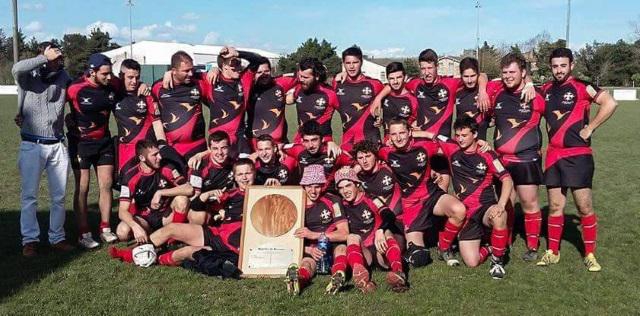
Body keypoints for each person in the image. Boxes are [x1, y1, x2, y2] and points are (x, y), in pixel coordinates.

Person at [537, 48, 617, 271]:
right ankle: (553, 251)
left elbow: (610, 103)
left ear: (571, 65)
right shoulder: (546, 89)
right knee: (554, 205)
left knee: (584, 206)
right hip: (554, 154)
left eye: (563, 65)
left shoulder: (582, 86)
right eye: (555, 66)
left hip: (578, 155)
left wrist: (590, 128)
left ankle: (589, 253)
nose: (559, 70)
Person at [109, 159, 256, 267]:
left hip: (233, 244)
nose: (244, 177)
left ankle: (156, 258)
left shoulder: (265, 193)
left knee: (186, 252)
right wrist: (206, 196)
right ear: (235, 177)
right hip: (216, 234)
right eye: (240, 174)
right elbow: (196, 206)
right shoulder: (229, 194)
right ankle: (131, 253)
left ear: (254, 173)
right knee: (172, 229)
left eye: (248, 173)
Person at [13, 41, 74, 256]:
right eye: (54, 56)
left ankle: (57, 237)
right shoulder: (28, 76)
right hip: (32, 144)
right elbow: (16, 68)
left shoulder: (64, 77)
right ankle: (29, 240)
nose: (58, 59)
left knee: (59, 196)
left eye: (59, 55)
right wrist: (43, 58)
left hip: (57, 143)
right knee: (29, 195)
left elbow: (79, 88)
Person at [378, 118, 466, 267]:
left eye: (402, 133)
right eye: (394, 134)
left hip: (432, 196)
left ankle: (444, 247)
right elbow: (367, 155)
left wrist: (426, 134)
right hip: (412, 206)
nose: (398, 138)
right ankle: (414, 247)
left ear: (410, 132)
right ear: (389, 137)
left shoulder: (424, 146)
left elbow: (453, 145)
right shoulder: (386, 152)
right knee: (419, 258)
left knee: (459, 210)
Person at [435, 117, 513, 279]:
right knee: (472, 262)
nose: (460, 139)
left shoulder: (487, 153)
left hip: (485, 208)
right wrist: (413, 131)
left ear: (475, 134)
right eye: (458, 135)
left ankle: (497, 261)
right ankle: (491, 247)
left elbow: (507, 179)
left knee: (500, 215)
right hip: (465, 214)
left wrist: (501, 204)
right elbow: (433, 135)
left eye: (464, 135)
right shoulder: (452, 148)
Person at [485, 53, 545, 262]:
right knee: (505, 203)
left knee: (529, 202)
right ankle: (505, 241)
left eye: (513, 72)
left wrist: (530, 84)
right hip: (502, 160)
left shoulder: (536, 95)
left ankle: (532, 245)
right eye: (505, 72)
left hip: (527, 158)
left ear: (523, 72)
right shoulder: (496, 91)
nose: (508, 76)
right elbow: (483, 76)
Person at [67, 53, 119, 248]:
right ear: (92, 71)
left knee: (106, 184)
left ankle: (105, 228)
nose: (109, 77)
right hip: (80, 144)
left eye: (110, 73)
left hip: (104, 142)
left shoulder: (112, 85)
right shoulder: (75, 88)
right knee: (83, 188)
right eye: (105, 73)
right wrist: (67, 120)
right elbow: (54, 107)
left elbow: (131, 85)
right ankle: (83, 233)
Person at [335, 167, 408, 293]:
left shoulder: (371, 198)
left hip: (381, 249)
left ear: (357, 184)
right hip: (363, 253)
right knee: (351, 237)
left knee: (387, 232)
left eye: (348, 185)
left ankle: (398, 273)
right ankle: (363, 280)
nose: (345, 191)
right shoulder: (340, 205)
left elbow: (389, 215)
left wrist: (380, 230)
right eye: (341, 188)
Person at [285, 165, 349, 295]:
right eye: (309, 186)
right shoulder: (295, 204)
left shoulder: (334, 201)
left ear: (323, 185)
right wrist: (308, 249)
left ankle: (338, 276)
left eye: (317, 186)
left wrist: (314, 235)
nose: (313, 191)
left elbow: (344, 233)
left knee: (342, 249)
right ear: (303, 186)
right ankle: (298, 281)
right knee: (306, 263)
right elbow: (287, 237)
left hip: (332, 245)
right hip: (311, 249)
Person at [115, 140, 193, 242]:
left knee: (182, 200)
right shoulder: (130, 177)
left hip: (166, 215)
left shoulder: (167, 168)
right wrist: (136, 227)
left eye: (159, 153)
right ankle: (152, 232)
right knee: (122, 232)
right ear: (142, 158)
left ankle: (173, 237)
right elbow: (122, 211)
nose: (160, 157)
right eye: (154, 155)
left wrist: (160, 193)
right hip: (145, 218)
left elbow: (189, 188)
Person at [151, 51, 212, 163]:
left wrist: (215, 69)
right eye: (186, 71)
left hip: (197, 147)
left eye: (191, 69)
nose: (190, 74)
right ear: (173, 71)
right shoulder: (158, 87)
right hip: (172, 148)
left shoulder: (199, 83)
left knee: (196, 180)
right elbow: (154, 117)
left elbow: (218, 78)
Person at [351, 140, 404, 248]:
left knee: (394, 245)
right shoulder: (357, 178)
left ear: (375, 156)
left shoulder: (389, 168)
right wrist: (353, 173)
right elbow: (342, 188)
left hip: (397, 221)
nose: (364, 161)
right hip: (374, 223)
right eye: (360, 158)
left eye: (368, 156)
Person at [113, 59, 159, 179]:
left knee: (149, 183)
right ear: (121, 76)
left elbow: (157, 121)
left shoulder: (146, 95)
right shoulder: (114, 93)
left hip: (147, 150)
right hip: (126, 150)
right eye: (130, 77)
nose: (134, 81)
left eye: (137, 77)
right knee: (128, 185)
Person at [332, 46, 384, 152]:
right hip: (348, 141)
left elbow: (393, 91)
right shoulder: (337, 84)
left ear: (361, 62)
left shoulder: (374, 84)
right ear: (343, 64)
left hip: (371, 140)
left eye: (355, 62)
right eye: (348, 63)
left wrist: (379, 98)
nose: (351, 66)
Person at [282, 121, 352, 189]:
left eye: (314, 140)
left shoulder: (333, 152)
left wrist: (346, 175)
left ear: (322, 139)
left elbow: (357, 163)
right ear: (302, 141)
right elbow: (279, 147)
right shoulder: (298, 150)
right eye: (306, 141)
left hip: (329, 193)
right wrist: (280, 152)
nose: (310, 145)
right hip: (307, 193)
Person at [187, 131, 236, 225]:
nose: (220, 152)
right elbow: (194, 202)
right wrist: (209, 194)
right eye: (215, 148)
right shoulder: (199, 167)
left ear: (229, 148)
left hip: (223, 206)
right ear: (209, 149)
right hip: (202, 207)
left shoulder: (234, 164)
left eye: (224, 148)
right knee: (199, 216)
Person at [455, 57, 491, 140]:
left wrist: (482, 91)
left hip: (481, 145)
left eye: (473, 76)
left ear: (478, 74)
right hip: (461, 144)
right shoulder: (456, 89)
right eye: (466, 76)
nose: (469, 80)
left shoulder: (487, 89)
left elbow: (484, 75)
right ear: (461, 75)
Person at [380, 62, 417, 141]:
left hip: (405, 143)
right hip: (387, 144)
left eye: (399, 77)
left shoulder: (412, 99)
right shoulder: (383, 95)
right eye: (392, 78)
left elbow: (419, 120)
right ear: (387, 79)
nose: (395, 81)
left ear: (405, 77)